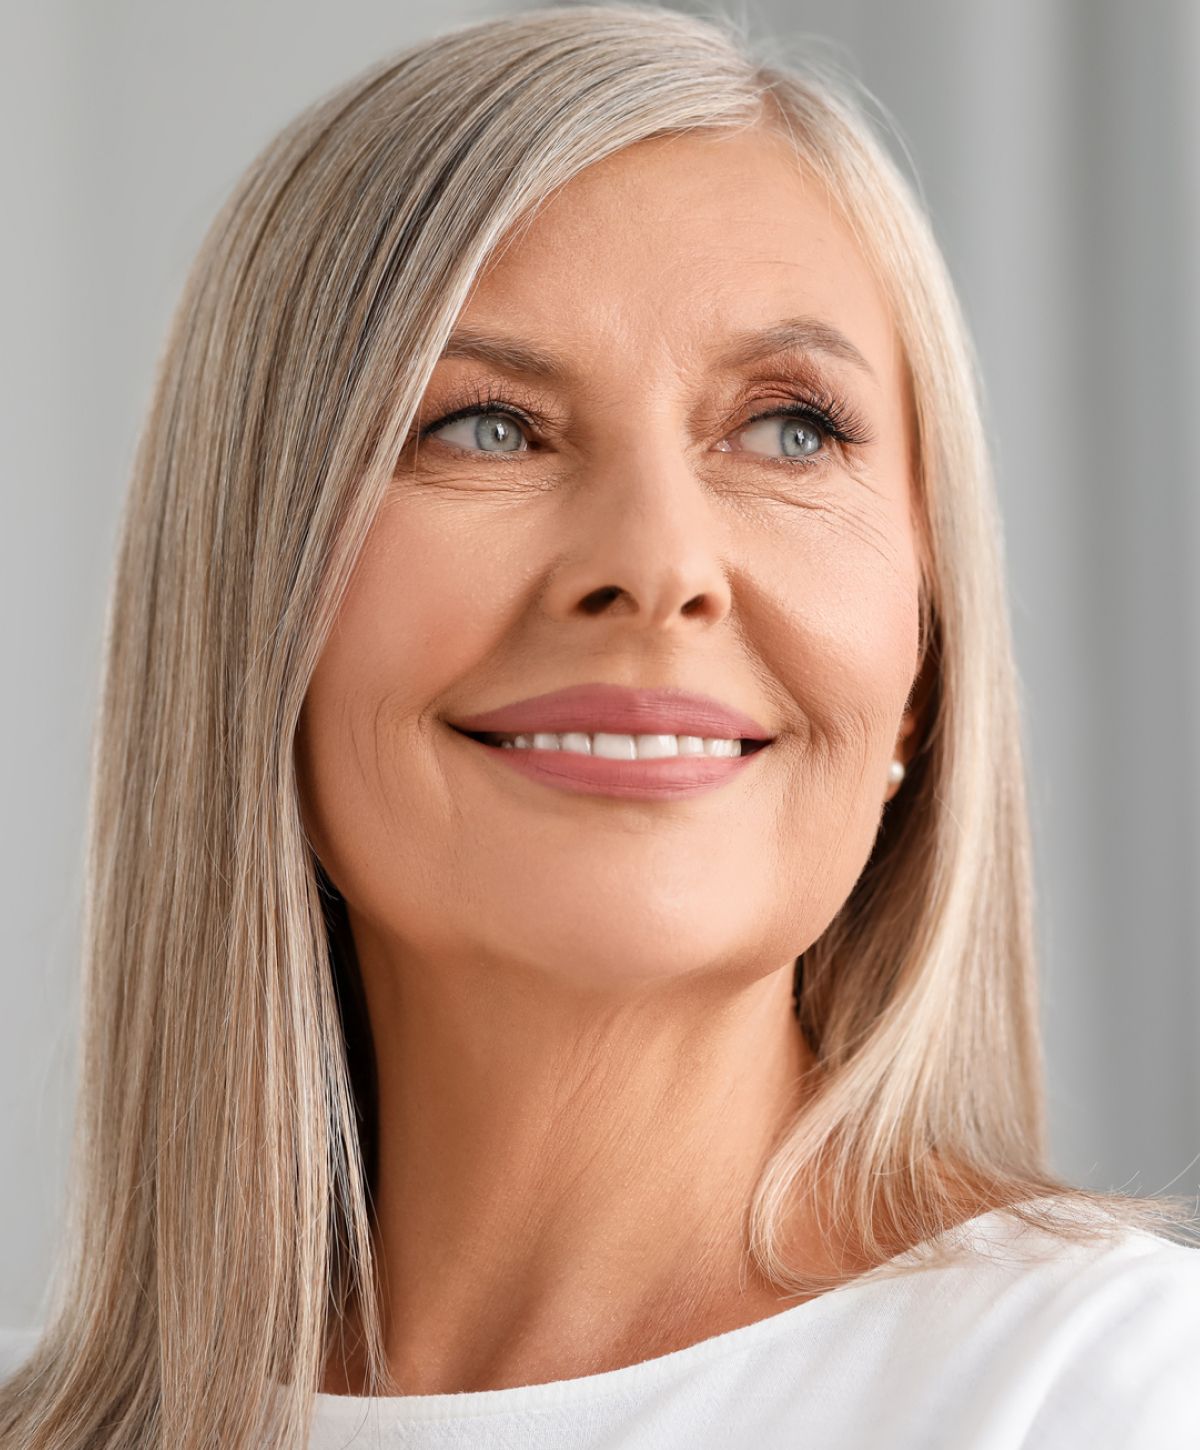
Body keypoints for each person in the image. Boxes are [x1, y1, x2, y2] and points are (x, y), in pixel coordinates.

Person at [1, 3, 1197, 1446]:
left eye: (789, 427)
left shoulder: (1113, 1394)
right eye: (485, 424)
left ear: (924, 666)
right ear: (250, 611)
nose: (661, 563)